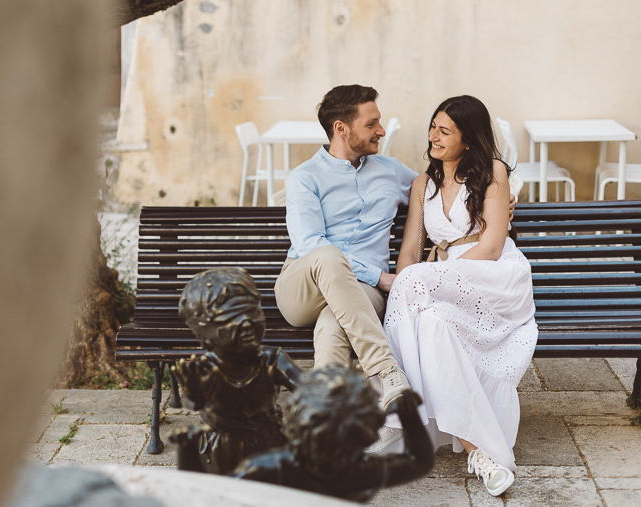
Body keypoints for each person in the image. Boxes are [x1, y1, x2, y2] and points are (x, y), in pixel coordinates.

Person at [382, 95, 538, 497]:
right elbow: (411, 249)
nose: (433, 135)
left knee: (412, 283)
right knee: (429, 323)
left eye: (444, 130)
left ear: (468, 139)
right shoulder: (422, 184)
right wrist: (409, 281)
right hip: (445, 281)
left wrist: (419, 279)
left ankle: (396, 415)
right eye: (432, 126)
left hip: (494, 275)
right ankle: (480, 452)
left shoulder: (493, 172)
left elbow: (490, 245)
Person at [274, 85, 418, 419]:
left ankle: (326, 425)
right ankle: (385, 371)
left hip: (359, 295)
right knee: (326, 254)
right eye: (372, 124)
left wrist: (495, 196)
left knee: (333, 325)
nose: (381, 131)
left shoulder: (391, 170)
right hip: (303, 288)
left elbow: (441, 191)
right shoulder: (305, 178)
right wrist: (378, 277)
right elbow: (310, 243)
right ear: (341, 128)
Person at [171, 365, 434, 503]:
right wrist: (408, 416)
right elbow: (418, 462)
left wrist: (188, 454)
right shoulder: (359, 470)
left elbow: (206, 496)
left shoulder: (276, 467)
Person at [170, 267, 302, 474]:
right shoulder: (207, 367)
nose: (247, 323)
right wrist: (193, 391)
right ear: (204, 333)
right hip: (221, 447)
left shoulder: (272, 359)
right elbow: (194, 402)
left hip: (268, 440)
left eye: (253, 311)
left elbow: (306, 387)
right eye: (233, 317)